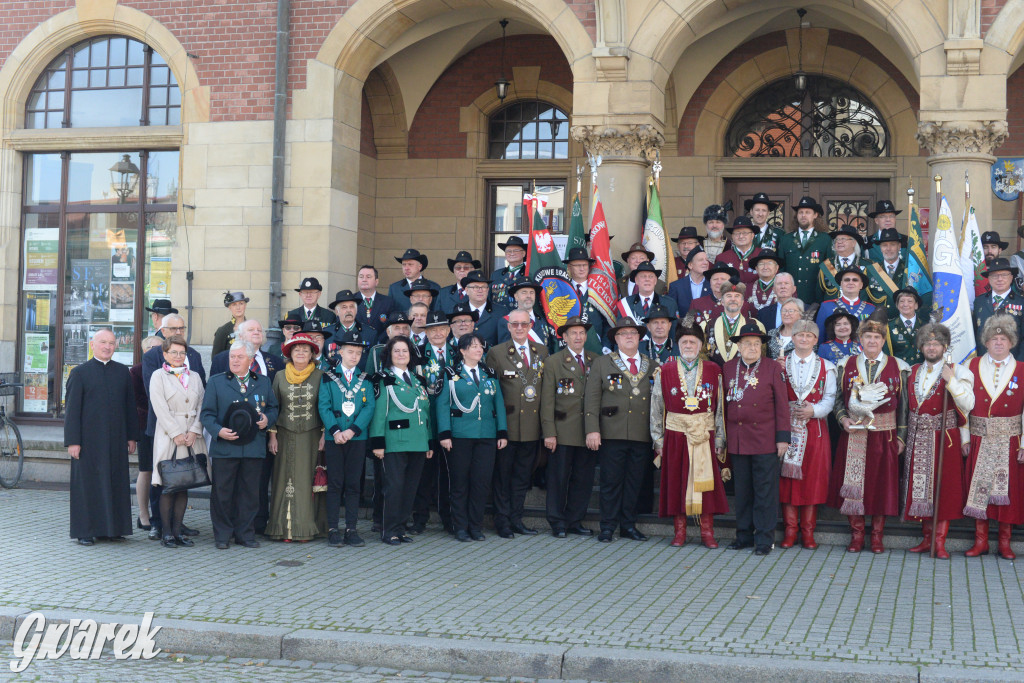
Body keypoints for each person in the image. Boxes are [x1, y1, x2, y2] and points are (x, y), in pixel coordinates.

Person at [829, 317, 908, 554]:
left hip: (885, 435)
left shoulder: (899, 366)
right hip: (854, 433)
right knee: (854, 486)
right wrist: (843, 418)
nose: (872, 340)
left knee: (880, 486)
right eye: (867, 337)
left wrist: (901, 437)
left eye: (876, 337)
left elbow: (904, 406)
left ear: (883, 340)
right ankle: (856, 535)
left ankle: (876, 536)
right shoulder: (845, 364)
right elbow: (837, 399)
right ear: (860, 339)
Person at [651, 323, 728, 548]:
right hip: (676, 435)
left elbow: (720, 408)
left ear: (701, 345)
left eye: (692, 342)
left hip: (705, 434)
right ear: (677, 345)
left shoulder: (714, 370)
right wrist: (658, 440)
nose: (688, 345)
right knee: (678, 482)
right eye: (684, 342)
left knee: (706, 484)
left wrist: (720, 439)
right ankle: (680, 531)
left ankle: (707, 531)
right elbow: (657, 407)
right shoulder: (664, 371)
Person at [903, 323, 973, 560]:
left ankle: (940, 542)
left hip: (945, 438)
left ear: (945, 346)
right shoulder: (911, 371)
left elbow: (968, 405)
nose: (931, 347)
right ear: (921, 347)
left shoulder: (959, 370)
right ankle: (926, 539)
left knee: (943, 490)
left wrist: (951, 381)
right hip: (917, 436)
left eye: (936, 343)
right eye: (927, 343)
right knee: (920, 490)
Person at [201, 341, 280, 549]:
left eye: (239, 357)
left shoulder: (262, 382)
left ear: (251, 360)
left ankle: (245, 534)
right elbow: (206, 414)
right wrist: (218, 431)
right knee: (223, 493)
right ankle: (222, 535)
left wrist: (267, 419)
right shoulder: (217, 382)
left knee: (250, 493)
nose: (235, 361)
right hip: (225, 448)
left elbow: (273, 408)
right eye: (232, 357)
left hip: (253, 447)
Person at [64, 329, 140, 545]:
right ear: (92, 345)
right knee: (87, 486)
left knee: (115, 482)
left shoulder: (122, 372)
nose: (107, 347)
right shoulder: (79, 373)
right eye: (103, 342)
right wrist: (73, 441)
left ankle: (113, 529)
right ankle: (85, 531)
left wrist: (132, 437)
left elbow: (129, 406)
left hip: (116, 439)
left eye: (112, 343)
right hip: (87, 441)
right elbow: (71, 410)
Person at [585, 317, 656, 543]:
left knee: (634, 483)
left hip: (641, 433)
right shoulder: (602, 363)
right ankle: (607, 526)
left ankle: (628, 526)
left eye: (633, 333)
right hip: (611, 432)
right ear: (615, 338)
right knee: (610, 482)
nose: (628, 337)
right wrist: (592, 430)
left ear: (639, 338)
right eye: (623, 333)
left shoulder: (652, 365)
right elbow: (592, 399)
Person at [722, 322, 791, 555]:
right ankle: (743, 535)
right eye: (746, 343)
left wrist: (783, 438)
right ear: (738, 346)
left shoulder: (773, 368)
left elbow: (783, 405)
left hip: (765, 439)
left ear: (762, 346)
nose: (751, 347)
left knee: (764, 492)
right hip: (738, 439)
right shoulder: (728, 368)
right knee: (742, 491)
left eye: (756, 343)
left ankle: (764, 539)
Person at [963, 314, 1024, 560]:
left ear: (1011, 343)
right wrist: (965, 438)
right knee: (979, 491)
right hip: (979, 438)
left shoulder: (1022, 369)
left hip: (1010, 440)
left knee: (1006, 493)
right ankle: (980, 542)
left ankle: (1004, 543)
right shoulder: (971, 365)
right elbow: (963, 406)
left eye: (1003, 338)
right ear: (985, 342)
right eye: (993, 339)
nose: (998, 343)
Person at [142, 313, 206, 540]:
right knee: (163, 480)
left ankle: (178, 528)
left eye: (182, 328)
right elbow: (156, 402)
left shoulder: (195, 364)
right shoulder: (154, 363)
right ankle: (160, 526)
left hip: (191, 434)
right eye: (174, 328)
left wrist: (195, 430)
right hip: (166, 431)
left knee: (183, 480)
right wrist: (177, 432)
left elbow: (202, 401)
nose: (179, 331)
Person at [438, 333, 508, 541]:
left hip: (486, 434)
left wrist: (501, 431)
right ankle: (460, 526)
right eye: (474, 346)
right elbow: (443, 404)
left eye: (480, 346)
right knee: (460, 483)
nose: (479, 350)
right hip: (460, 435)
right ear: (462, 350)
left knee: (481, 482)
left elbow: (499, 404)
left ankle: (475, 527)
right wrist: (445, 433)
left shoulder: (489, 373)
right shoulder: (451, 373)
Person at [487, 308, 548, 537]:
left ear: (531, 325)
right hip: (508, 427)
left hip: (532, 427)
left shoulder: (542, 351)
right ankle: (502, 522)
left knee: (522, 478)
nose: (519, 328)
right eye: (515, 324)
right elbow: (493, 392)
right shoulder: (497, 352)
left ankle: (517, 519)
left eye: (524, 324)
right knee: (503, 477)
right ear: (508, 326)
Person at [369, 336, 433, 545]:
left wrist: (429, 442)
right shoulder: (383, 378)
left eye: (404, 351)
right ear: (389, 354)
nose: (401, 354)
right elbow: (380, 412)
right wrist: (378, 442)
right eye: (396, 351)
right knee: (394, 487)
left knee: (409, 488)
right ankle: (389, 531)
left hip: (417, 441)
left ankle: (401, 528)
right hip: (394, 441)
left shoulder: (417, 381)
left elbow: (425, 412)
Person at [778, 320, 835, 549]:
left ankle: (808, 532)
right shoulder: (780, 364)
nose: (803, 339)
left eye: (808, 336)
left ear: (815, 340)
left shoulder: (827, 366)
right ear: (792, 338)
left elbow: (830, 398)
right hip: (787, 428)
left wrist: (814, 410)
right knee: (787, 482)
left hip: (814, 430)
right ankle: (790, 531)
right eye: (799, 335)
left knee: (812, 480)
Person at [540, 316, 597, 537]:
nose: (578, 337)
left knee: (582, 480)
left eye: (582, 333)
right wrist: (549, 433)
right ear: (564, 337)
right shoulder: (554, 361)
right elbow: (547, 401)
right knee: (558, 479)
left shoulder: (595, 360)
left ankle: (575, 520)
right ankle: (557, 522)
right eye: (573, 333)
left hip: (588, 431)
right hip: (562, 431)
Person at [318, 329, 375, 548]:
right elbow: (323, 406)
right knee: (335, 484)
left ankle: (351, 529)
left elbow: (369, 407)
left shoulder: (366, 379)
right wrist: (335, 431)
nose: (354, 356)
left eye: (358, 353)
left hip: (357, 438)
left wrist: (352, 431)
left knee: (353, 484)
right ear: (340, 351)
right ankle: (333, 529)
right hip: (335, 438)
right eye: (350, 352)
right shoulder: (328, 377)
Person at [266, 333, 324, 542]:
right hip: (284, 435)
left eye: (305, 350)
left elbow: (325, 407)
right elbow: (273, 407)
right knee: (284, 479)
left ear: (312, 355)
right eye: (297, 349)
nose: (301, 352)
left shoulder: (320, 376)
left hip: (311, 435)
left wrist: (324, 435)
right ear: (290, 353)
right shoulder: (280, 376)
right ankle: (282, 529)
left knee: (306, 481)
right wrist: (272, 436)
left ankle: (305, 529)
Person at [410, 310, 456, 535]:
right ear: (425, 332)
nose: (437, 333)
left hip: (454, 424)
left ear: (449, 330)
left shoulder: (459, 352)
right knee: (423, 473)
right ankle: (420, 518)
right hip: (425, 423)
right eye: (432, 329)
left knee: (449, 474)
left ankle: (449, 519)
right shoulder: (416, 353)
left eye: (441, 328)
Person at [129, 335, 162, 536]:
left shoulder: (168, 369)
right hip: (145, 426)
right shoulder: (137, 371)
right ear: (144, 350)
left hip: (166, 428)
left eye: (159, 347)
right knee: (146, 470)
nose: (155, 351)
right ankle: (143, 514)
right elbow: (138, 400)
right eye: (151, 347)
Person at [777, 196, 831, 304]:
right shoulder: (786, 239)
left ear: (815, 215)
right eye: (800, 212)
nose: (803, 215)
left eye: (807, 212)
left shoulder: (825, 239)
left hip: (816, 297)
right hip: (791, 298)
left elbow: (830, 270)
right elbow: (781, 269)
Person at [818, 225, 886, 307]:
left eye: (843, 239)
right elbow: (819, 295)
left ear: (854, 243)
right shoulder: (826, 265)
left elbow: (879, 295)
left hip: (860, 314)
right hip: (833, 314)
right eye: (836, 240)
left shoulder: (870, 265)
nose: (839, 242)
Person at [973, 257, 1024, 360]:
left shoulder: (1021, 302)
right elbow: (974, 334)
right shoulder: (979, 302)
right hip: (983, 363)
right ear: (989, 279)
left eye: (1004, 275)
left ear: (1011, 277)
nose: (1000, 279)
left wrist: (1020, 366)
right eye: (995, 276)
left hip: (1013, 363)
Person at [704, 282, 764, 365]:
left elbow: (762, 354)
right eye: (729, 296)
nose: (733, 299)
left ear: (742, 302)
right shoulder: (707, 325)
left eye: (737, 296)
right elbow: (701, 353)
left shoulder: (756, 325)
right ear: (722, 301)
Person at [563, 246, 607, 351]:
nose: (582, 268)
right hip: (568, 348)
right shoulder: (563, 290)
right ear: (569, 267)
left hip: (596, 347)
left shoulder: (599, 290)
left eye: (584, 265)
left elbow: (608, 322)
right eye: (577, 265)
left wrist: (606, 346)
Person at [815, 267, 876, 341]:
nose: (850, 282)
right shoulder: (827, 306)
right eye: (847, 280)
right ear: (841, 284)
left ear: (861, 285)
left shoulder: (871, 309)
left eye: (855, 280)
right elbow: (820, 337)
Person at [498, 276, 551, 347]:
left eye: (531, 292)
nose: (528, 296)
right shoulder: (506, 321)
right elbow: (504, 351)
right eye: (524, 292)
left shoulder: (542, 320)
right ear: (516, 296)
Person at [686, 263, 744, 328]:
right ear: (710, 282)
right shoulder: (696, 304)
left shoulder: (741, 305)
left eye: (723, 279)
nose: (719, 282)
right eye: (715, 279)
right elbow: (687, 328)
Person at [460, 270, 505, 347]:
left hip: (491, 357)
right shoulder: (459, 311)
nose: (480, 290)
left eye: (483, 287)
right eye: (475, 287)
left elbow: (504, 343)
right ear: (467, 290)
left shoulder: (501, 312)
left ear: (487, 290)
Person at [715, 216, 761, 286]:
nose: (741, 236)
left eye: (745, 233)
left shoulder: (762, 255)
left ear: (752, 235)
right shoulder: (722, 258)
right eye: (737, 233)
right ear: (732, 237)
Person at [667, 246, 711, 318]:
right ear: (690, 265)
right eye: (701, 260)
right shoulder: (676, 286)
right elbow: (671, 313)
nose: (705, 262)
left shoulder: (712, 285)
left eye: (706, 260)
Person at [355, 264, 394, 339]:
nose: (364, 280)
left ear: (376, 281)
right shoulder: (351, 301)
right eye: (361, 277)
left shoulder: (387, 302)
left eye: (368, 277)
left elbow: (391, 326)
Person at [886, 288, 924, 365]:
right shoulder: (888, 327)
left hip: (920, 371)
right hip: (898, 371)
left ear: (916, 305)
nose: (905, 304)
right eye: (902, 301)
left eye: (910, 301)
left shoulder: (925, 326)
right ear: (897, 305)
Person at [491, 235, 528, 307]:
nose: (512, 253)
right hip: (499, 317)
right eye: (508, 251)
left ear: (523, 253)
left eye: (516, 250)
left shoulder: (530, 273)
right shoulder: (496, 275)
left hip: (521, 316)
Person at [212, 291, 250, 357]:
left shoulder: (253, 328)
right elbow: (216, 358)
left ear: (245, 305)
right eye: (234, 304)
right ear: (229, 307)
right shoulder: (223, 330)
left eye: (241, 303)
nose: (238, 307)